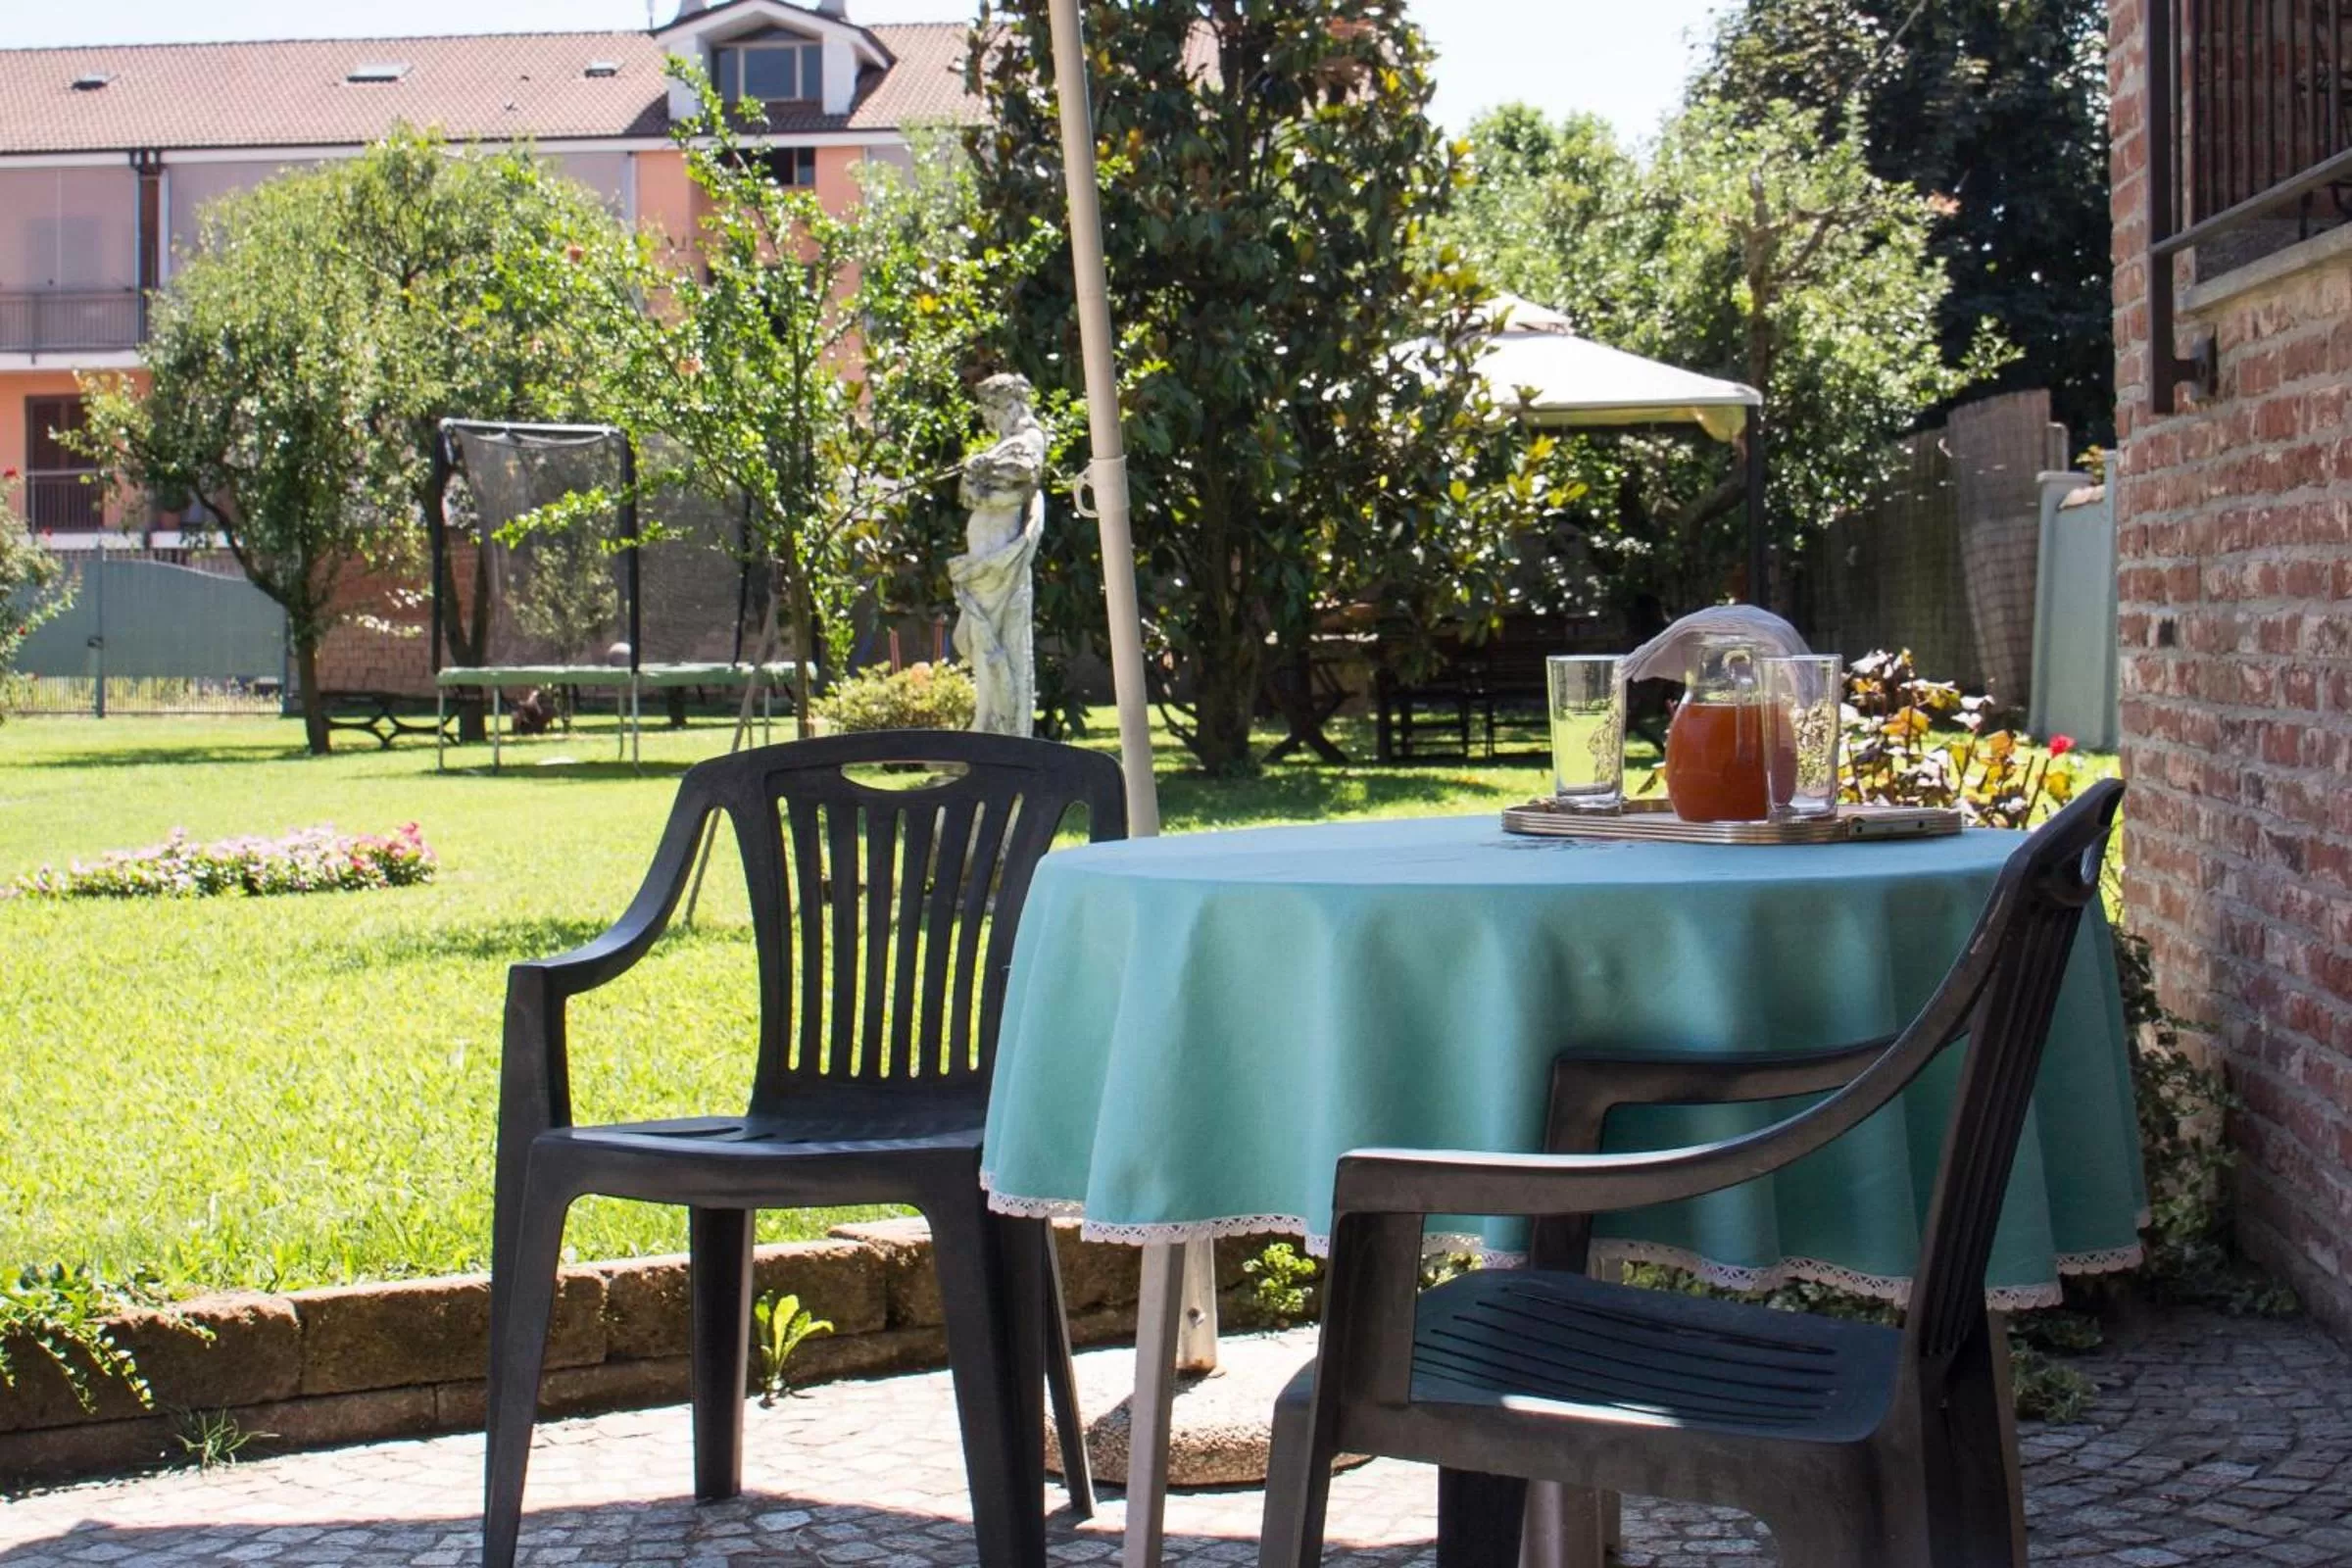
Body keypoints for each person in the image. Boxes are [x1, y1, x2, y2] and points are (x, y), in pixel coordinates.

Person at [949, 374, 1048, 736]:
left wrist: (981, 477)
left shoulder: (1029, 439)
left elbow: (1016, 489)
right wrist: (979, 479)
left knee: (992, 644)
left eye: (992, 410)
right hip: (986, 558)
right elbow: (969, 494)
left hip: (1000, 559)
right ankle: (988, 725)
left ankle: (998, 732)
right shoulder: (1006, 444)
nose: (990, 419)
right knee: (980, 641)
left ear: (1009, 405)